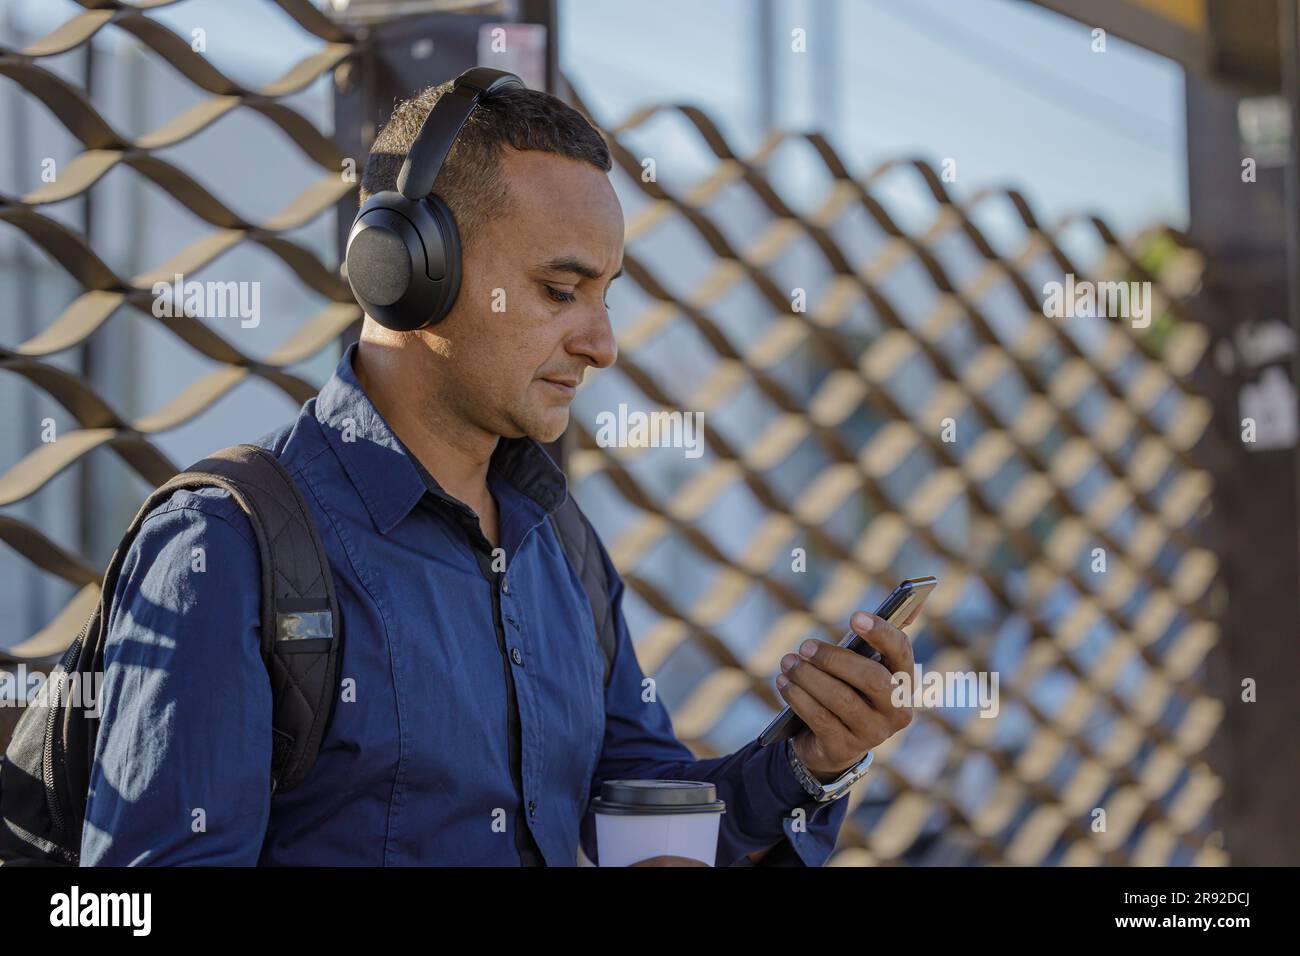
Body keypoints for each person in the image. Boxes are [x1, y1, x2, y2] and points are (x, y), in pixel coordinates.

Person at [80, 73, 914, 866]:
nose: (603, 344)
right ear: (408, 270)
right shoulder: (225, 546)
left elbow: (644, 826)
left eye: (606, 295)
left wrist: (814, 761)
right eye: (560, 291)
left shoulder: (560, 544)